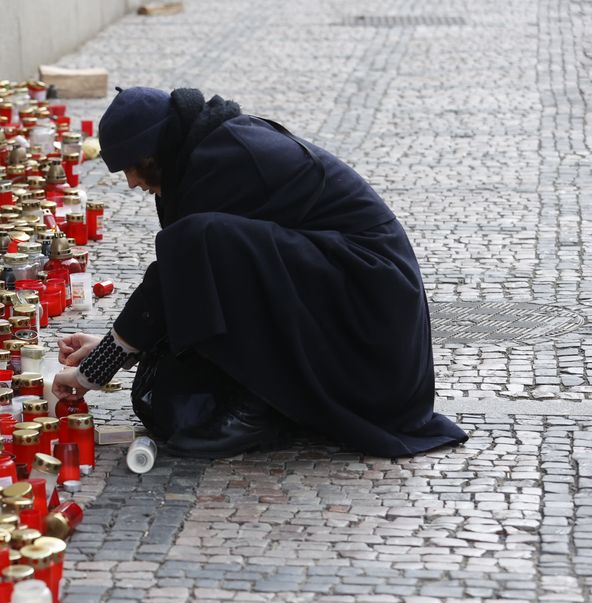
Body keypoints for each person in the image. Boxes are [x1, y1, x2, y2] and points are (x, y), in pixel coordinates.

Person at [51, 87, 467, 458]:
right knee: (204, 244)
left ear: (152, 155)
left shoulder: (224, 160)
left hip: (373, 323)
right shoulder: (203, 150)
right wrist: (123, 348)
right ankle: (264, 393)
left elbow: (183, 264)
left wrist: (97, 368)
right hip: (351, 294)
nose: (130, 183)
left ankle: (256, 405)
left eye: (130, 169)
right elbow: (187, 282)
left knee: (204, 237)